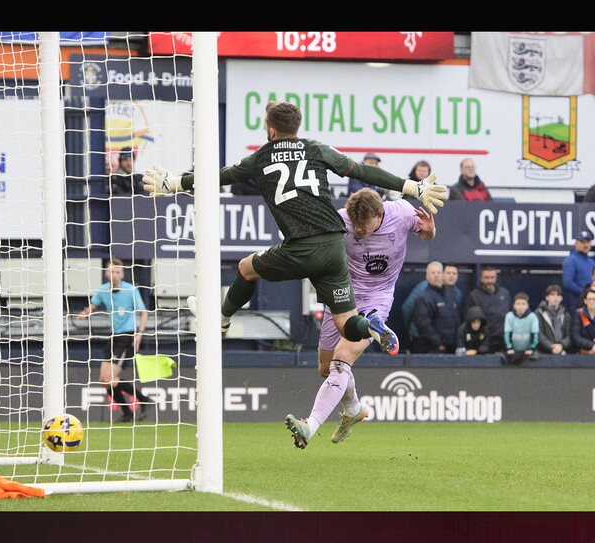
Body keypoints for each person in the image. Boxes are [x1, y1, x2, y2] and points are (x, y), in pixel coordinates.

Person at [140, 101, 449, 445]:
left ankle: (220, 321)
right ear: (297, 126)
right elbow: (363, 171)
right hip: (333, 250)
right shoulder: (316, 149)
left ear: (270, 129)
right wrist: (413, 187)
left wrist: (174, 183)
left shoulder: (260, 157)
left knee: (246, 269)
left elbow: (219, 177)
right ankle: (367, 341)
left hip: (302, 249)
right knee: (341, 339)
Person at [307, 188, 436, 446]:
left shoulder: (402, 212)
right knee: (325, 368)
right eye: (353, 223)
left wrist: (429, 230)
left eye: (362, 225)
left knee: (342, 358)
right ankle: (354, 409)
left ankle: (309, 426)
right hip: (342, 296)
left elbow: (426, 235)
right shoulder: (339, 220)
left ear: (379, 216)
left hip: (378, 297)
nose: (356, 229)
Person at [77, 258, 153, 422]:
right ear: (107, 273)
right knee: (104, 381)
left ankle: (144, 399)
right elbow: (94, 305)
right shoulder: (103, 290)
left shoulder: (130, 290)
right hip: (113, 337)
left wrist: (139, 333)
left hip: (127, 337)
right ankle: (127, 413)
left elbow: (144, 312)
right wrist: (86, 312)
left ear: (122, 274)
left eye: (118, 272)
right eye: (112, 271)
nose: (115, 275)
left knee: (110, 378)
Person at [411, 261, 461, 354]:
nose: (436, 275)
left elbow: (456, 319)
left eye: (439, 272)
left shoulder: (450, 295)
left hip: (451, 347)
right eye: (433, 273)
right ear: (427, 276)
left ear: (443, 275)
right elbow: (424, 325)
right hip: (433, 349)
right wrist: (439, 344)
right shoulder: (423, 297)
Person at [464, 267, 511, 353]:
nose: (489, 281)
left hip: (502, 342)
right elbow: (469, 320)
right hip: (482, 343)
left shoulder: (505, 293)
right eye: (486, 278)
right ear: (481, 279)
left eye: (492, 277)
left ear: (496, 278)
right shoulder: (474, 295)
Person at [534, 284, 573, 355]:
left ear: (561, 298)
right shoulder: (539, 313)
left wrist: (561, 345)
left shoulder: (566, 315)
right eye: (552, 295)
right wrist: (551, 346)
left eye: (558, 295)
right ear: (547, 297)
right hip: (543, 353)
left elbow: (569, 335)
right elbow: (539, 334)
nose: (555, 297)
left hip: (562, 352)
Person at [562, 230, 595, 307]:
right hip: (577, 303)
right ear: (576, 244)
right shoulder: (570, 260)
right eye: (583, 242)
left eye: (588, 242)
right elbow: (568, 283)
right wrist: (585, 293)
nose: (586, 245)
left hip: (591, 303)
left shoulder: (592, 262)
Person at [503, 292, 539, 364]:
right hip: (513, 351)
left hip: (528, 351)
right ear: (514, 305)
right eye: (518, 304)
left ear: (527, 306)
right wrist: (509, 348)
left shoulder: (533, 317)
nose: (521, 306)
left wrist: (532, 348)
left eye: (523, 304)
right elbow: (507, 334)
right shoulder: (509, 316)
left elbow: (535, 336)